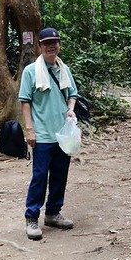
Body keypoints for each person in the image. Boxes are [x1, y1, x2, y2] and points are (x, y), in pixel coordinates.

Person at [19, 27, 79, 241]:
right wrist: (29, 129)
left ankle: (53, 213)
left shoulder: (64, 69)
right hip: (42, 134)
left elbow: (72, 94)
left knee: (60, 175)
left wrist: (71, 108)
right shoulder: (31, 72)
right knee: (39, 177)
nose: (51, 46)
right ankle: (32, 217)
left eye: (54, 42)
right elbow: (25, 101)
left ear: (59, 44)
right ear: (40, 46)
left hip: (63, 134)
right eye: (46, 43)